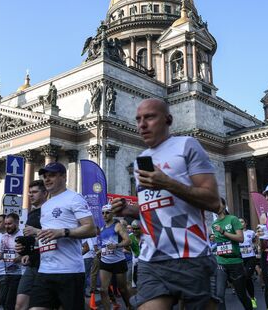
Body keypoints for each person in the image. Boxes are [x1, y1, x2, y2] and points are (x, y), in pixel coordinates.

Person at [111, 98, 220, 310]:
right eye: (138, 119)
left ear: (168, 119)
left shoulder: (187, 145)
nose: (142, 124)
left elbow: (214, 201)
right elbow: (154, 208)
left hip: (190, 255)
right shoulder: (141, 160)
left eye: (149, 117)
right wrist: (131, 210)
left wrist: (169, 183)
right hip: (151, 258)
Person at [28, 162, 96, 310]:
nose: (47, 179)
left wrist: (63, 232)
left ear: (64, 176)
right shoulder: (45, 205)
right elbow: (48, 234)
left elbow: (91, 229)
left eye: (51, 175)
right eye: (45, 176)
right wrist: (33, 243)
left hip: (69, 272)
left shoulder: (74, 198)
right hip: (44, 271)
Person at [212, 198, 253, 310]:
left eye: (218, 203)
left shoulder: (233, 219)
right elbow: (218, 243)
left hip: (235, 262)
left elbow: (240, 238)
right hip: (221, 262)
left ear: (224, 205)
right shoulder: (214, 224)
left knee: (242, 295)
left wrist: (223, 232)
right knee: (219, 296)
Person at [15, 180, 48, 310]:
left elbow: (56, 235)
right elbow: (32, 241)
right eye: (29, 192)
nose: (30, 195)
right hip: (32, 264)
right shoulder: (31, 214)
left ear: (45, 193)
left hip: (47, 266)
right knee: (19, 305)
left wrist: (36, 232)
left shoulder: (50, 212)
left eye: (34, 192)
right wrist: (25, 252)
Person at [99, 204, 132, 310]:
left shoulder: (117, 225)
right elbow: (105, 245)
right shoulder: (102, 229)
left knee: (122, 289)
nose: (105, 215)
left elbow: (128, 240)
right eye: (103, 213)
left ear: (112, 213)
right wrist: (100, 251)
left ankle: (129, 306)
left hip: (118, 261)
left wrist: (116, 245)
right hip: (105, 261)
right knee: (103, 290)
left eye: (107, 212)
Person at [0, 213, 23, 310]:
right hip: (5, 273)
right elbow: (1, 251)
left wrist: (19, 257)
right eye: (5, 224)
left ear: (17, 223)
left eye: (9, 224)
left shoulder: (22, 235)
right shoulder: (4, 236)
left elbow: (28, 254)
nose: (7, 226)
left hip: (19, 273)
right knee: (2, 299)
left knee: (9, 303)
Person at [238, 217, 258, 309]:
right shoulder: (235, 233)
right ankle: (250, 298)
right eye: (238, 222)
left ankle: (253, 299)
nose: (240, 223)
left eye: (242, 222)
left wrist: (255, 246)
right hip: (240, 258)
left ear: (246, 223)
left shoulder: (251, 232)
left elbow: (255, 241)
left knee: (247, 276)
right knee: (245, 279)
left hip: (250, 258)